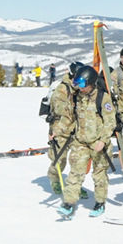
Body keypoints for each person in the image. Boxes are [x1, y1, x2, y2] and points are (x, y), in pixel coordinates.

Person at [56, 66, 117, 218]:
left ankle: (100, 202)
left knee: (99, 175)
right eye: (78, 84)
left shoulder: (103, 98)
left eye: (83, 85)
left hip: (98, 144)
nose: (80, 88)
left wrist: (103, 141)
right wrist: (57, 131)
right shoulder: (76, 97)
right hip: (80, 141)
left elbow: (110, 121)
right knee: (75, 173)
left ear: (91, 83)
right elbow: (68, 117)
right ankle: (69, 203)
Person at [46, 62, 87, 198]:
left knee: (78, 160)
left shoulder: (82, 89)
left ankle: (75, 185)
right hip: (61, 129)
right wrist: (55, 132)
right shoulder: (62, 90)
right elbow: (61, 112)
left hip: (77, 129)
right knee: (60, 159)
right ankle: (54, 179)